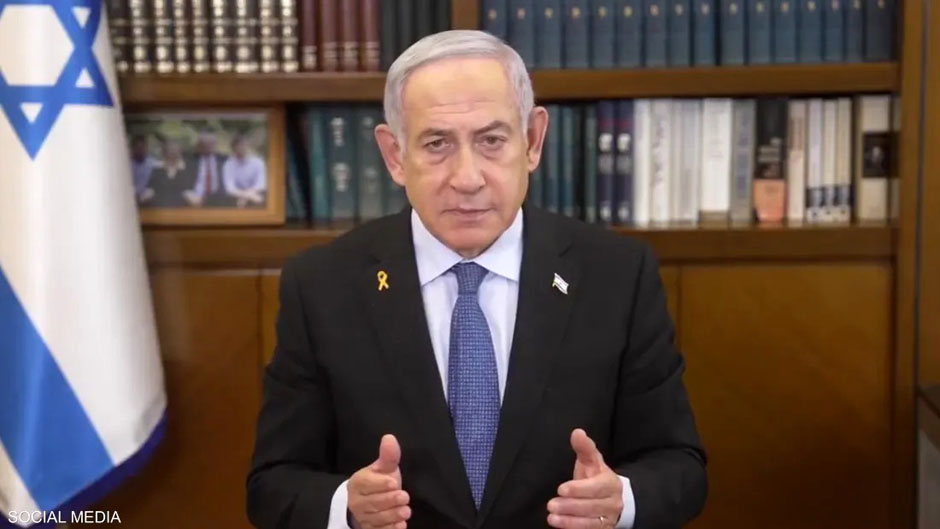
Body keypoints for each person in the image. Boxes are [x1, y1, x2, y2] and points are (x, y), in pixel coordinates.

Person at [247, 30, 706, 529]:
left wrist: (620, 500)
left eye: (491, 141)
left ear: (532, 141)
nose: (467, 178)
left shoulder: (617, 275)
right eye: (437, 144)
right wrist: (347, 506)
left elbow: (680, 466)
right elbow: (273, 484)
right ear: (395, 156)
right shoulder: (322, 285)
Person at [184, 131, 229, 207]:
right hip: (196, 198)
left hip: (219, 198)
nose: (209, 146)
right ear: (199, 145)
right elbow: (183, 182)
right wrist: (188, 194)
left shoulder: (224, 160)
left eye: (211, 143)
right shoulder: (190, 160)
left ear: (216, 144)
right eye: (205, 143)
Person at [222, 133, 267, 208]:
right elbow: (230, 188)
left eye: (245, 145)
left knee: (262, 200)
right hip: (236, 197)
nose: (242, 148)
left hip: (256, 194)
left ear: (249, 146)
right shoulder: (228, 164)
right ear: (233, 148)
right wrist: (247, 195)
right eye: (239, 145)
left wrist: (246, 197)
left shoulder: (258, 162)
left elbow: (261, 184)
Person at [147, 139, 194, 208]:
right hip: (160, 208)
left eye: (175, 150)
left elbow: (190, 192)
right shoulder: (157, 170)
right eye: (170, 150)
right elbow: (151, 190)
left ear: (180, 151)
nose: (173, 152)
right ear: (164, 153)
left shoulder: (188, 169)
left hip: (183, 208)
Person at [129, 135, 158, 204]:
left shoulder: (154, 164)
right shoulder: (127, 165)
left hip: (150, 200)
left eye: (142, 147)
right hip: (131, 200)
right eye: (138, 147)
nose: (140, 150)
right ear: (133, 148)